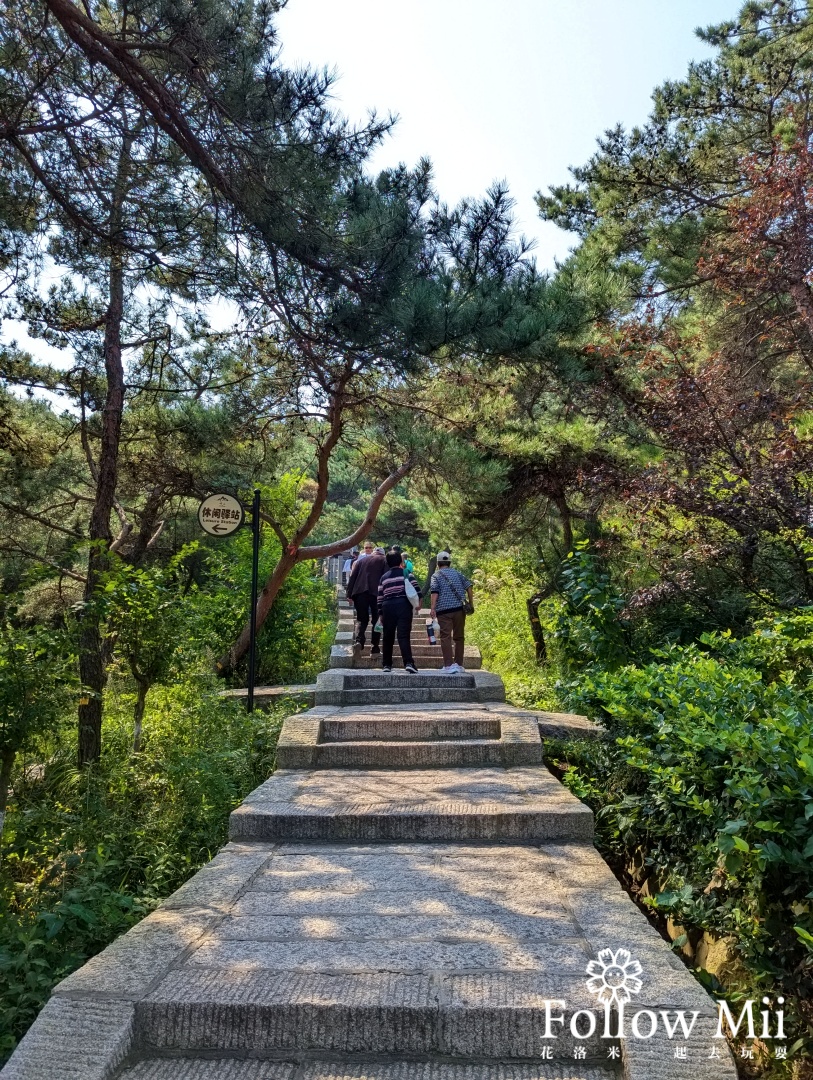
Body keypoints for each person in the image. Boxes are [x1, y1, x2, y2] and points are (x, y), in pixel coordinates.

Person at [377, 550, 422, 673]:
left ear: (387, 562)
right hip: (403, 605)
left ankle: (386, 665)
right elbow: (417, 589)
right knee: (403, 636)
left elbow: (380, 597)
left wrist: (380, 613)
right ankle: (408, 663)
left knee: (387, 637)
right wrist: (419, 604)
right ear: (401, 561)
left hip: (388, 606)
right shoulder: (406, 572)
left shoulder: (383, 577)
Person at [429, 551, 473, 674]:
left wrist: (433, 608)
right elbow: (469, 586)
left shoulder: (436, 576)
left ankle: (448, 665)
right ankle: (459, 664)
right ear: (449, 562)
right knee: (459, 637)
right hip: (459, 610)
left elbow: (435, 592)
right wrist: (471, 603)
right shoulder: (457, 573)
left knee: (446, 637)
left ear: (438, 563)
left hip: (444, 611)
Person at [346, 544, 386, 654]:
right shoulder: (384, 560)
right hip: (377, 594)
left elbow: (353, 577)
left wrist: (349, 594)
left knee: (361, 619)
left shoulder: (361, 561)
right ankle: (375, 648)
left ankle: (359, 641)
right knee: (377, 621)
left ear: (373, 552)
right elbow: (386, 578)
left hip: (359, 593)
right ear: (383, 554)